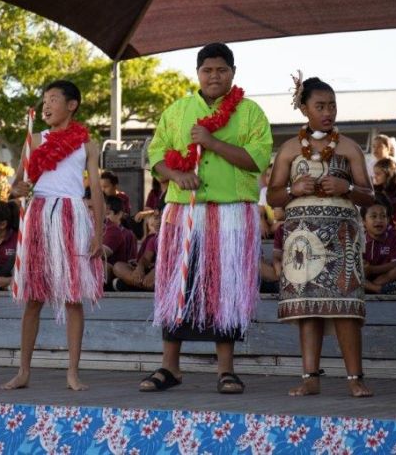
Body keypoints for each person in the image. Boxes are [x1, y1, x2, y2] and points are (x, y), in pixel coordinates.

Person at [140, 42, 272, 394]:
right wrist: (174, 173)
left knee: (224, 289)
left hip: (231, 214)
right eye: (207, 70)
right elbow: (154, 153)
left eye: (221, 70)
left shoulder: (251, 112)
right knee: (176, 287)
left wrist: (211, 142)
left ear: (233, 72)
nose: (214, 76)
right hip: (184, 212)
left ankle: (225, 370)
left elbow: (256, 160)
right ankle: (170, 367)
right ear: (197, 73)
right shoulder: (178, 110)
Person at [267, 74, 374, 398]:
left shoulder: (349, 147)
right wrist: (291, 189)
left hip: (341, 238)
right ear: (304, 108)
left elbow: (369, 195)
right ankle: (310, 376)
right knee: (308, 307)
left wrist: (348, 188)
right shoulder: (288, 149)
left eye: (332, 106)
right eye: (320, 106)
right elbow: (272, 197)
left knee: (344, 306)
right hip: (302, 239)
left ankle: (355, 377)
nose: (328, 112)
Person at [1, 80, 104, 392]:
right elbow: (16, 186)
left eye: (54, 99)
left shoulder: (88, 144)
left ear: (72, 105)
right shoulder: (34, 139)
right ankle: (23, 371)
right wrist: (15, 190)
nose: (46, 105)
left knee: (73, 298)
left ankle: (72, 372)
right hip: (39, 215)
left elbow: (96, 190)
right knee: (33, 298)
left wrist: (98, 232)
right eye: (44, 100)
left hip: (72, 216)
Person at [360, 194, 396, 294]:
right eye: (373, 216)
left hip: (383, 277)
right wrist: (363, 266)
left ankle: (370, 288)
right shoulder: (358, 238)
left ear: (388, 220)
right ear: (364, 221)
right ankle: (378, 289)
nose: (379, 220)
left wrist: (372, 270)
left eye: (383, 216)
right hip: (364, 276)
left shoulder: (394, 236)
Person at [113, 209, 160, 291]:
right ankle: (143, 285)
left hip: (162, 273)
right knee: (118, 266)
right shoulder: (154, 239)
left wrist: (156, 271)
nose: (158, 221)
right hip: (148, 273)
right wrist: (140, 268)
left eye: (162, 218)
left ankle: (131, 285)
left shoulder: (176, 237)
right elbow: (146, 258)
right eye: (156, 218)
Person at [102, 195, 138, 287]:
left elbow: (132, 260)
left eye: (108, 214)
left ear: (119, 214)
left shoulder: (126, 234)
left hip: (116, 269)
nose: (105, 218)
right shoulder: (102, 229)